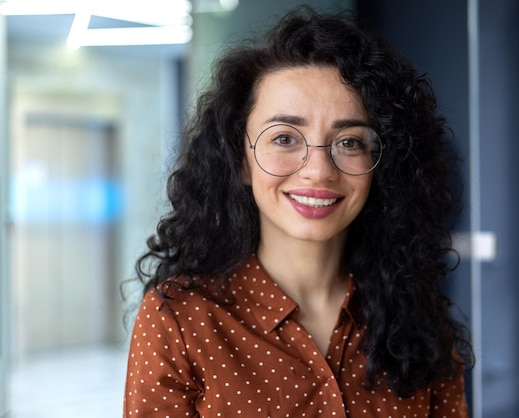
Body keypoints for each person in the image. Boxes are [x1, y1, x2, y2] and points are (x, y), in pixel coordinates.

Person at [123, 7, 474, 417]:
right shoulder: (180, 320)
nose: (319, 171)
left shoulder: (421, 320)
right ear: (240, 160)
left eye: (349, 142)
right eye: (285, 137)